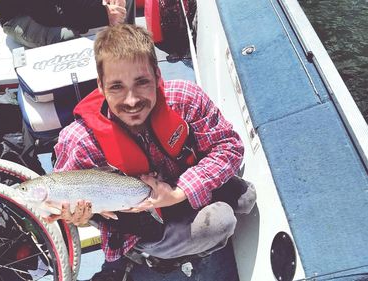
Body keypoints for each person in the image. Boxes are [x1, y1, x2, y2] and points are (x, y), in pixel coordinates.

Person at [53, 24, 256, 280]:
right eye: (116, 87)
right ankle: (151, 255)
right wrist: (78, 217)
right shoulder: (79, 140)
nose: (131, 100)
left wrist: (180, 192)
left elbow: (229, 147)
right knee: (220, 222)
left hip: (178, 187)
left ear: (158, 76)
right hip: (136, 221)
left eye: (142, 82)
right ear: (101, 86)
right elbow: (67, 198)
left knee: (246, 197)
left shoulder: (186, 98)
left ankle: (183, 230)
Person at [0, 0, 135, 48]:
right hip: (21, 16)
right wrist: (102, 15)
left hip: (52, 6)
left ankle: (132, 46)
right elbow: (46, 16)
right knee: (69, 37)